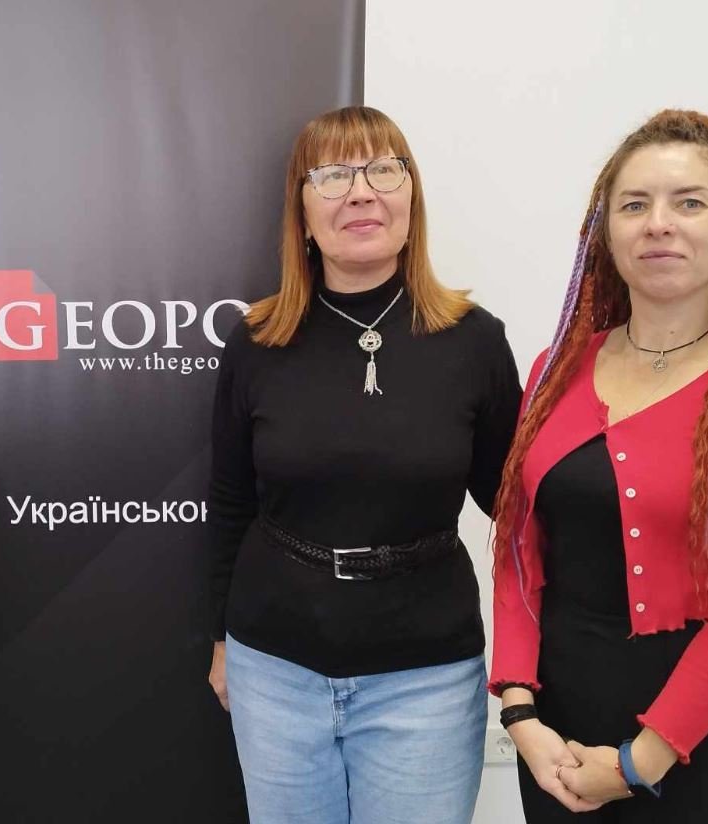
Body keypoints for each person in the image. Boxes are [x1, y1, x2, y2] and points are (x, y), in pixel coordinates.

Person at [489, 109, 708, 823]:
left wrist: (636, 763)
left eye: (689, 202)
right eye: (633, 205)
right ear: (605, 234)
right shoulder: (554, 370)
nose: (658, 224)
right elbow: (519, 551)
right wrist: (519, 712)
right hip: (557, 746)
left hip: (703, 750)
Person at [205, 106, 521, 824]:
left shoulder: (474, 342)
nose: (360, 192)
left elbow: (517, 508)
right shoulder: (256, 341)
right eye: (333, 175)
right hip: (274, 669)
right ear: (302, 211)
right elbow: (229, 505)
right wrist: (221, 641)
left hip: (425, 678)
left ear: (411, 197)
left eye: (384, 169)